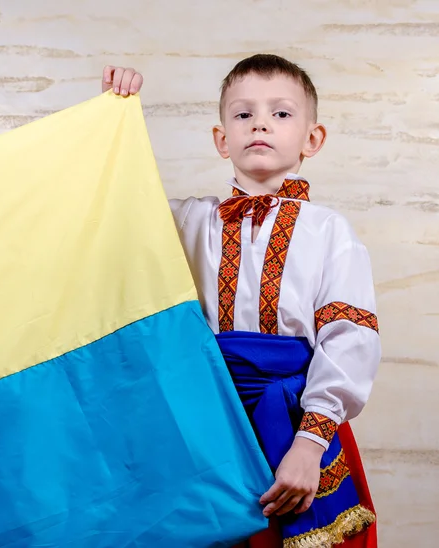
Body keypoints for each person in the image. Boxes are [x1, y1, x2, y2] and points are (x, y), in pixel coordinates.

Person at [100, 55, 381, 548]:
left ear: (312, 139)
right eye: (244, 113)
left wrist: (309, 445)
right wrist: (111, 116)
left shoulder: (329, 230)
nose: (261, 125)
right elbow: (113, 212)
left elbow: (349, 340)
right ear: (221, 137)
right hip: (206, 419)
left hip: (295, 423)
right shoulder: (188, 221)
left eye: (282, 113)